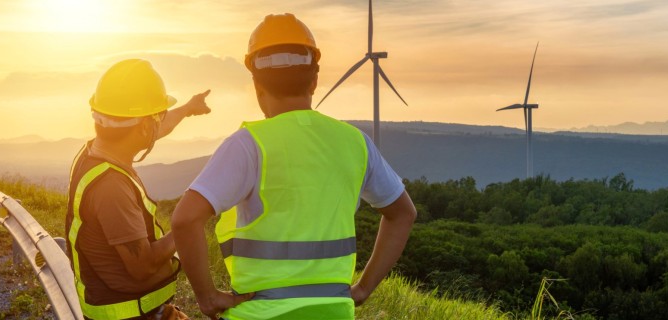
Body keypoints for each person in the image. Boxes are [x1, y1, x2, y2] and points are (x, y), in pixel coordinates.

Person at [171, 13, 417, 320]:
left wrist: (207, 297)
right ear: (314, 80)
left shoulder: (248, 144)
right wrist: (363, 288)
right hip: (334, 312)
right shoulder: (356, 142)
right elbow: (403, 213)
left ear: (256, 84)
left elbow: (184, 219)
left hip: (260, 313)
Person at [66, 58, 210, 320]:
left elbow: (153, 129)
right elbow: (142, 267)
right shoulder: (111, 187)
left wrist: (188, 108)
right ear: (144, 125)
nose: (161, 122)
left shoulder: (93, 152)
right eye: (158, 116)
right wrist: (188, 223)